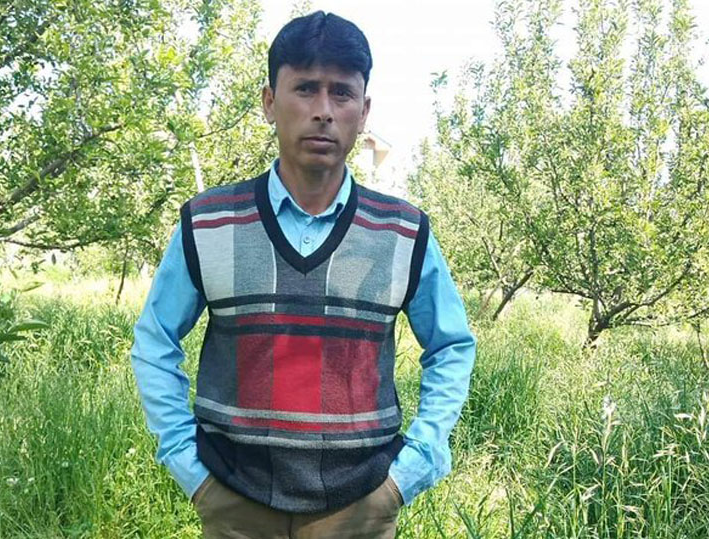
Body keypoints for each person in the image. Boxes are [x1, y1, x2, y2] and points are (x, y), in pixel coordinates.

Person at [130, 11, 476, 538]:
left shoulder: (403, 232)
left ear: (364, 110)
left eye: (342, 93)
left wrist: (409, 473)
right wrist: (189, 467)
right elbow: (154, 341)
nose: (323, 111)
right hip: (234, 501)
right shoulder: (209, 223)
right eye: (306, 88)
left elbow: (451, 346)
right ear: (270, 102)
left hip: (360, 506)